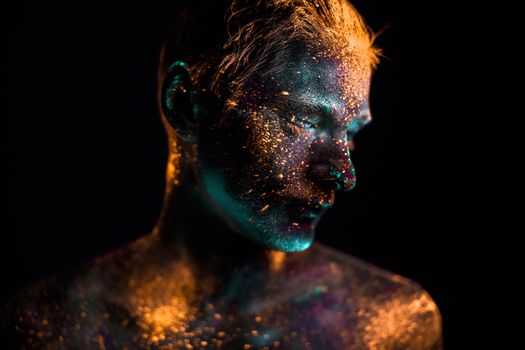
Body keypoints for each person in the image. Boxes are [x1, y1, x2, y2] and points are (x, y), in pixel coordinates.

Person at [2, 0, 443, 348]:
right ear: (186, 105)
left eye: (350, 132)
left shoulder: (391, 326)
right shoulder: (51, 331)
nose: (344, 175)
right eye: (304, 121)